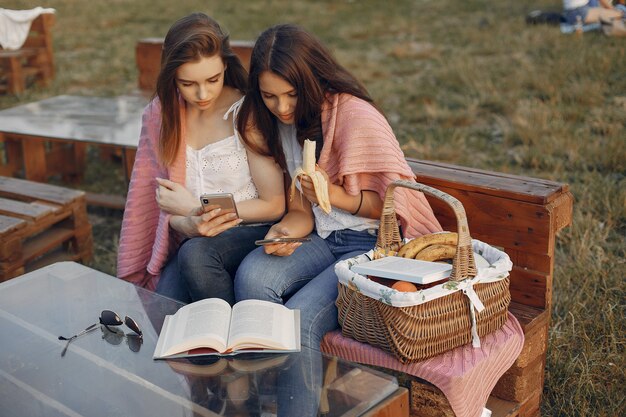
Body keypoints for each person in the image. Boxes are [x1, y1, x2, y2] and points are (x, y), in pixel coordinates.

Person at [234, 23, 443, 353]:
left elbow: (392, 204)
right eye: (269, 96)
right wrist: (284, 233)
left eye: (292, 94)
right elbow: (302, 211)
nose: (282, 107)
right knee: (251, 277)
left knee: (297, 324)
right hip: (321, 237)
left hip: (372, 244)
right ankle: (269, 388)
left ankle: (289, 400)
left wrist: (334, 195)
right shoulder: (282, 125)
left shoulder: (354, 115)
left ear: (313, 80)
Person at [116, 13, 285, 304]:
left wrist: (198, 208)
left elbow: (273, 205)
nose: (202, 93)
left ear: (225, 66)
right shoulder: (160, 115)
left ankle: (231, 338)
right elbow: (155, 203)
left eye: (213, 79)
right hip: (191, 235)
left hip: (249, 229)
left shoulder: (245, 113)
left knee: (194, 256)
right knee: (163, 308)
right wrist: (188, 223)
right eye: (188, 83)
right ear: (172, 78)